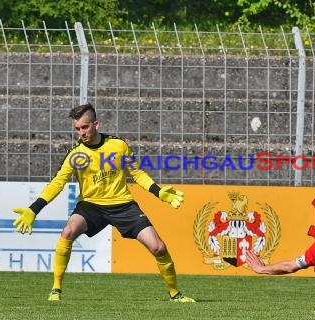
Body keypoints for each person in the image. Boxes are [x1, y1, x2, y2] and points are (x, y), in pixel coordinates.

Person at [12, 103, 195, 303]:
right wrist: (34, 209)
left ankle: (175, 294)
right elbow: (57, 183)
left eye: (85, 127)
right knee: (68, 232)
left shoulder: (118, 145)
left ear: (96, 124)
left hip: (123, 204)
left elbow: (136, 173)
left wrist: (158, 191)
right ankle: (56, 289)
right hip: (91, 206)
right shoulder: (75, 154)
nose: (81, 132)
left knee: (158, 247)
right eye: (77, 128)